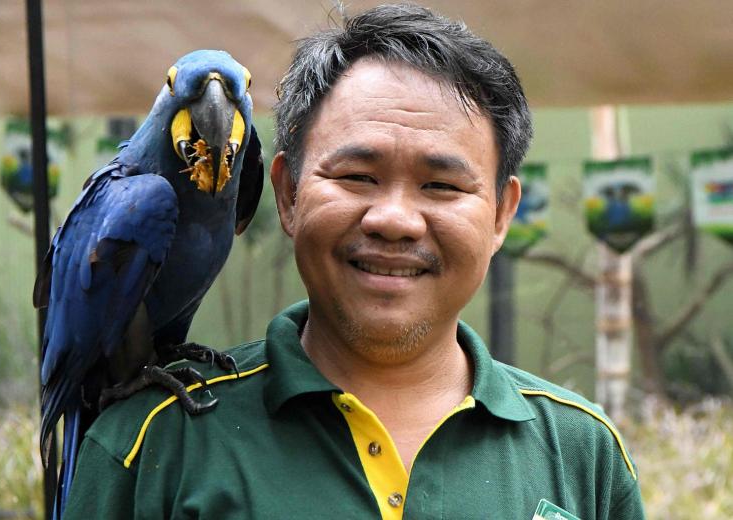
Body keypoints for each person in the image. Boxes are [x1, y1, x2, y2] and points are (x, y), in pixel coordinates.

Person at [64, 4, 645, 518]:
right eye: (357, 176)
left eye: (441, 186)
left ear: (501, 214)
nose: (393, 219)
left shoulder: (583, 454)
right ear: (287, 194)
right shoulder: (146, 444)